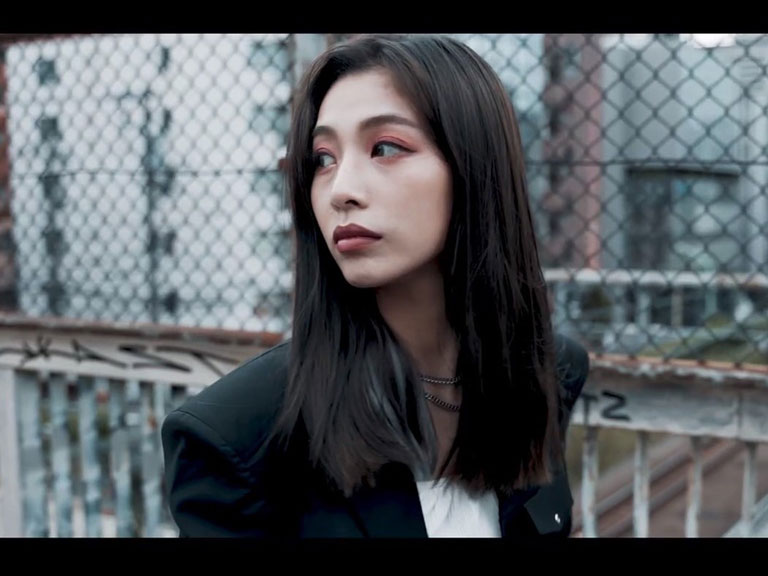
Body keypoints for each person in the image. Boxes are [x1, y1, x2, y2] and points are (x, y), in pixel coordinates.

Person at [161, 33, 590, 538]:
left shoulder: (545, 371)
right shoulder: (237, 440)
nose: (340, 190)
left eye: (385, 148)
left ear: (475, 167)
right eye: (323, 159)